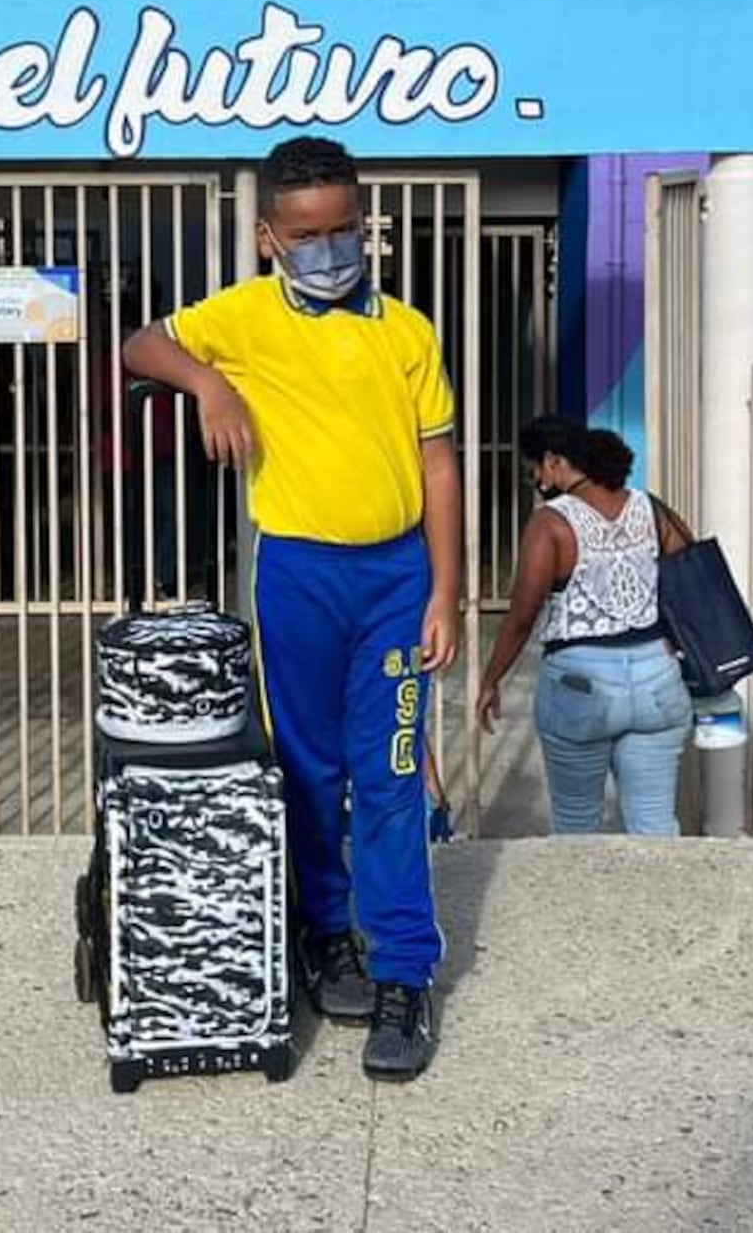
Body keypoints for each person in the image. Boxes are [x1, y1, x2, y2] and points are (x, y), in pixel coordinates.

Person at [122, 136, 462, 1083]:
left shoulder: (407, 331)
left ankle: (403, 972)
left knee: (390, 772)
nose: (329, 248)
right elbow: (139, 342)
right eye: (307, 234)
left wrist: (444, 590)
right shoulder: (240, 317)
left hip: (396, 580)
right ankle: (326, 938)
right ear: (269, 236)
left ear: (365, 225)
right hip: (297, 576)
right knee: (308, 772)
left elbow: (440, 463)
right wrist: (207, 381)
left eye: (345, 230)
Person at [475, 415, 697, 836]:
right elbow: (692, 575)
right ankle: (659, 902)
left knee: (576, 828)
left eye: (536, 470)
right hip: (657, 678)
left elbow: (522, 615)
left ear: (555, 461)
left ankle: (583, 903)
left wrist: (491, 679)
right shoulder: (649, 508)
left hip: (579, 686)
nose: (538, 480)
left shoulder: (551, 523)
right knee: (654, 826)